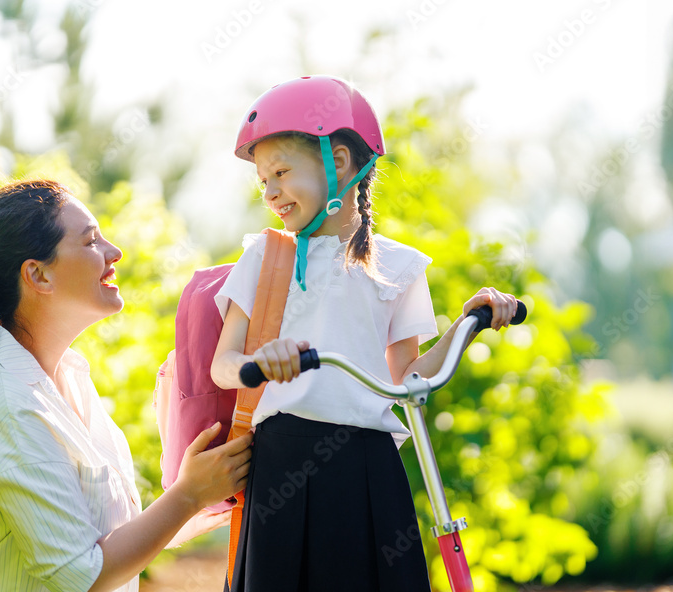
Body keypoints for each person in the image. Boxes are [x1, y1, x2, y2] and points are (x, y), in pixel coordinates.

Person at [211, 76, 519, 592]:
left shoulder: (397, 267)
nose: (270, 193)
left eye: (281, 173)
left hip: (367, 466)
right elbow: (225, 364)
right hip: (282, 462)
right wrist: (260, 361)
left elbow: (410, 378)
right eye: (263, 181)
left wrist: (470, 321)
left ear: (340, 163)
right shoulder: (265, 257)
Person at [0, 179, 252, 592]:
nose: (115, 253)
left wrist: (200, 496)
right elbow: (81, 574)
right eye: (91, 241)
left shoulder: (67, 376)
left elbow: (105, 536)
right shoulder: (6, 402)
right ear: (38, 274)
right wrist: (187, 495)